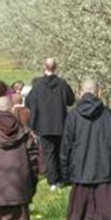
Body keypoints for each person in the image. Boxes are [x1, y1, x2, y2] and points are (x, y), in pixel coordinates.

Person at [60, 79, 111, 220]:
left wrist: (65, 174)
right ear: (99, 92)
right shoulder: (109, 116)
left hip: (80, 171)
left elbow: (66, 147)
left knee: (82, 208)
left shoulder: (73, 115)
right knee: (103, 210)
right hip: (104, 170)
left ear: (81, 92)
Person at [25, 58, 75, 189]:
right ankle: (64, 179)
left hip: (44, 125)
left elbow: (28, 102)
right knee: (62, 152)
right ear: (56, 67)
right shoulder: (62, 84)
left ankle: (53, 181)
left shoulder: (38, 86)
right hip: (61, 124)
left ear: (44, 67)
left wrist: (34, 123)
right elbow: (71, 100)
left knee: (49, 153)